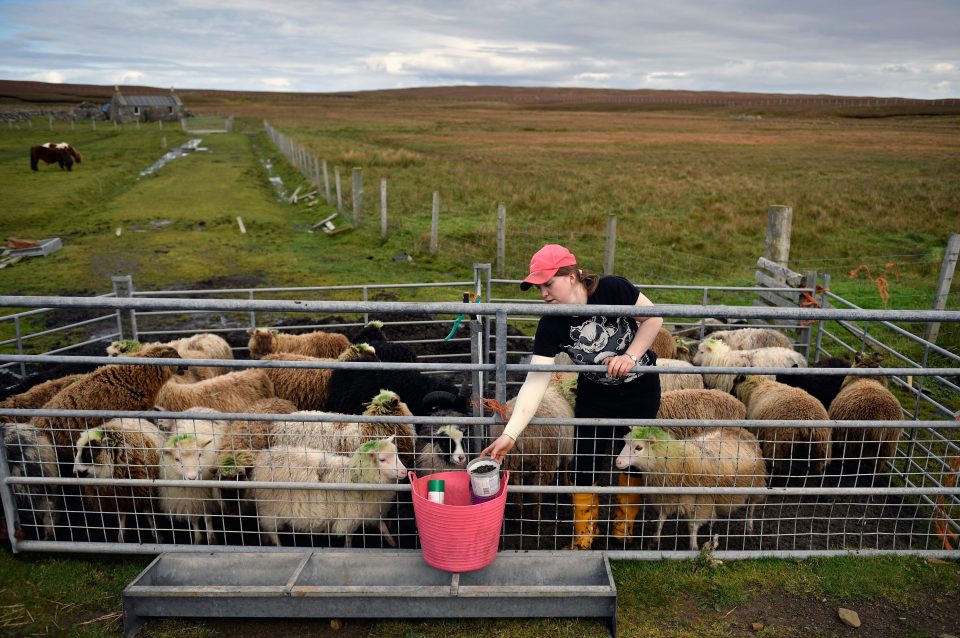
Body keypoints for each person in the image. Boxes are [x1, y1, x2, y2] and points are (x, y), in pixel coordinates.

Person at [481, 243, 662, 550]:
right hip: (594, 395)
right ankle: (584, 538)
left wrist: (630, 356)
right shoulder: (552, 322)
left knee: (632, 459)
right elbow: (535, 383)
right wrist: (511, 434)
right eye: (538, 287)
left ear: (573, 276)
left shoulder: (614, 289)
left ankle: (622, 533)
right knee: (585, 464)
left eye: (548, 284)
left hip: (639, 390)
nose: (543, 294)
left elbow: (654, 318)